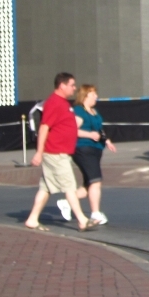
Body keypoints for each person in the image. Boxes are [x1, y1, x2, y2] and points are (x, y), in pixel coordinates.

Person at [24, 73, 99, 232]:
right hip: (55, 153)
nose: (74, 88)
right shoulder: (54, 103)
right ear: (62, 85)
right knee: (70, 186)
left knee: (46, 188)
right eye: (72, 85)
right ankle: (82, 220)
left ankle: (32, 218)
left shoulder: (63, 103)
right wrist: (39, 152)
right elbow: (44, 127)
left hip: (59, 152)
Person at [57, 84, 117, 226]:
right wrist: (89, 134)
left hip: (96, 149)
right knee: (96, 181)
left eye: (96, 94)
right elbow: (72, 131)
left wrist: (107, 140)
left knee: (89, 184)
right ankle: (95, 213)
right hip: (83, 149)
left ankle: (66, 202)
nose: (96, 97)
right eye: (93, 94)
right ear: (85, 96)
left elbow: (99, 129)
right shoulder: (79, 111)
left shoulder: (94, 112)